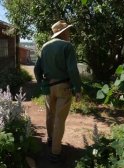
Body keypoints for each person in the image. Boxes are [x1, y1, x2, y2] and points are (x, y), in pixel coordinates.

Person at [34, 20, 82, 162]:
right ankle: (56, 152)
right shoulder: (67, 46)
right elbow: (72, 69)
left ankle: (50, 140)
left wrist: (41, 83)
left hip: (48, 87)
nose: (69, 33)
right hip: (64, 87)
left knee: (50, 115)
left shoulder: (44, 47)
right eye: (68, 30)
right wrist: (77, 89)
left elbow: (37, 68)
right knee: (60, 119)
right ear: (63, 32)